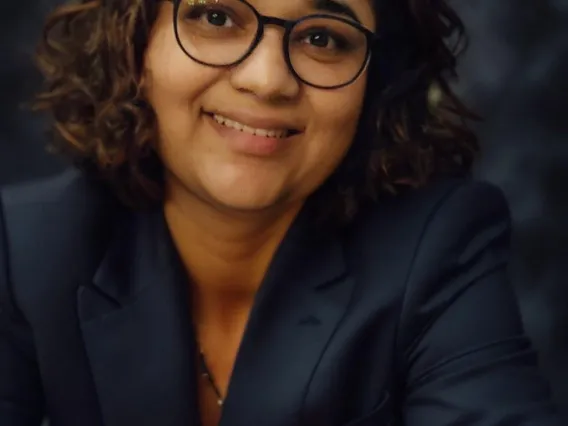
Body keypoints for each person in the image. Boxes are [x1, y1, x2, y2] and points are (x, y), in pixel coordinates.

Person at [0, 0, 561, 425]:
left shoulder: (440, 242)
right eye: (216, 17)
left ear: (376, 83)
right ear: (135, 45)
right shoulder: (26, 251)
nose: (267, 81)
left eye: (323, 37)